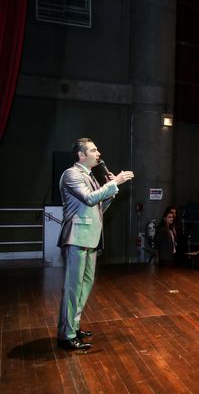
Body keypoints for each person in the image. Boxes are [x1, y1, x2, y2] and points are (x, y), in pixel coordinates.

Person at [57, 138, 134, 350]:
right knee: (73, 288)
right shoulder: (72, 174)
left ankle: (74, 326)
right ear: (81, 155)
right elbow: (89, 199)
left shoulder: (90, 177)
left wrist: (112, 190)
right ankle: (66, 335)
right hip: (76, 237)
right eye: (93, 150)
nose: (98, 153)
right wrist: (113, 183)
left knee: (85, 285)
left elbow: (98, 207)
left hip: (90, 238)